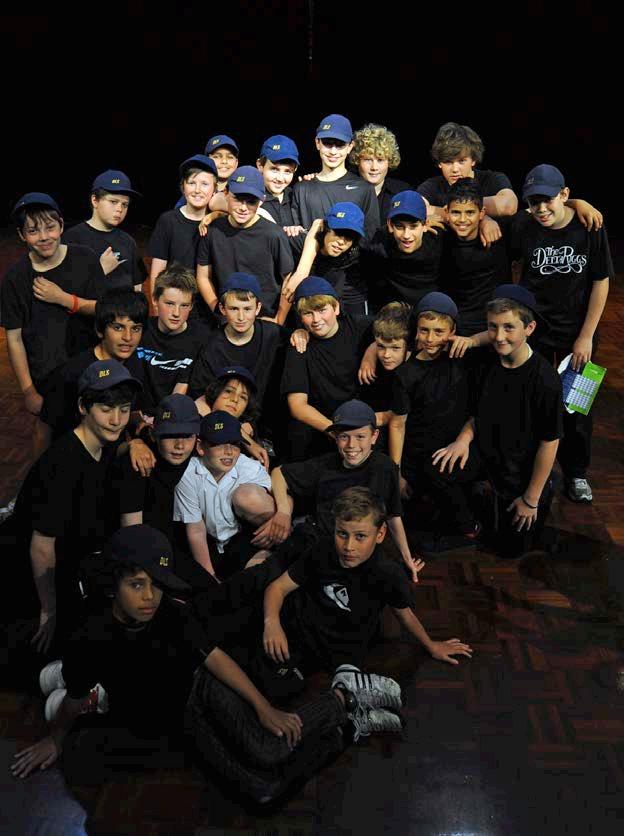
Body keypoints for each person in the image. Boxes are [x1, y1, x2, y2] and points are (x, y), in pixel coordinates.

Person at [12, 525, 407, 805]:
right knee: (262, 791)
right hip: (182, 720)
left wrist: (262, 707)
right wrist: (56, 740)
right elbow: (75, 699)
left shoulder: (171, 614)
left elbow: (214, 657)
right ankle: (349, 726)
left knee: (268, 750)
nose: (150, 597)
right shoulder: (89, 637)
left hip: (202, 687)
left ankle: (343, 697)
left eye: (157, 584)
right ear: (112, 585)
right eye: (136, 585)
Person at [262, 488, 473, 679]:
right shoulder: (321, 550)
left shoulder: (388, 572)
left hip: (342, 652)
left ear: (380, 534)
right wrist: (272, 623)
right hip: (300, 631)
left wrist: (431, 645)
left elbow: (404, 614)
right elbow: (277, 588)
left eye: (360, 536)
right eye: (342, 534)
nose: (348, 546)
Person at [9, 360, 143, 654]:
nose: (116, 420)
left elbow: (116, 448)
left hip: (74, 559)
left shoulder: (104, 442)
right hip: (32, 575)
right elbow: (41, 547)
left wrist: (134, 444)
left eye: (123, 410)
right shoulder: (61, 464)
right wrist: (49, 609)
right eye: (106, 409)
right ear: (83, 407)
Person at [434, 285, 563, 558]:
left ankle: (544, 489)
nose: (499, 336)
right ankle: (470, 522)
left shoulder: (545, 379)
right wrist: (462, 440)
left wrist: (531, 499)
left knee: (510, 549)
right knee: (439, 468)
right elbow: (477, 414)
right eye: (493, 327)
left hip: (519, 466)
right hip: (487, 451)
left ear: (529, 328)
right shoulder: (486, 362)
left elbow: (549, 441)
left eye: (509, 328)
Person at [512, 164, 613, 503]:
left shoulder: (590, 226)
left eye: (548, 200)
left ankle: (577, 472)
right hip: (536, 331)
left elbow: (600, 282)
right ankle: (534, 469)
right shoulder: (524, 225)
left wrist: (586, 335)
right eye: (533, 202)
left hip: (579, 333)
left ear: (564, 195)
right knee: (534, 400)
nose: (541, 209)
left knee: (578, 407)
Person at [255, 400, 423, 583]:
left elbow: (393, 515)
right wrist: (283, 512)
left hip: (353, 550)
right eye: (344, 437)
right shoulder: (326, 464)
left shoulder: (385, 467)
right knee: (265, 574)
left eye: (360, 436)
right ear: (335, 437)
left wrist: (406, 557)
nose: (351, 445)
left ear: (374, 436)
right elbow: (279, 473)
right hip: (318, 542)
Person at [1, 193, 103, 458]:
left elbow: (104, 310)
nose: (44, 237)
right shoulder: (15, 279)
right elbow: (14, 338)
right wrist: (28, 390)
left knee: (92, 435)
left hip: (88, 368)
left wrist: (64, 299)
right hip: (46, 375)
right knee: (46, 435)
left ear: (61, 225)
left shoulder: (85, 259)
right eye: (33, 231)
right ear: (22, 235)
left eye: (50, 227)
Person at [388, 293, 482, 550]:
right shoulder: (406, 373)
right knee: (417, 514)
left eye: (439, 331)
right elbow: (397, 425)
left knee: (440, 474)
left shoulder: (463, 359)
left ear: (453, 331)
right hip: (420, 449)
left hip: (459, 444)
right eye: (424, 330)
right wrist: (397, 474)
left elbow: (494, 337)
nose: (430, 339)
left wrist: (471, 341)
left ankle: (468, 527)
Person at [173, 411, 275, 582]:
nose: (229, 452)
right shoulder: (188, 474)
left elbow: (283, 494)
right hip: (210, 541)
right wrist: (210, 576)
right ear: (200, 447)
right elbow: (196, 530)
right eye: (219, 444)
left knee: (253, 578)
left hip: (246, 535)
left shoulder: (249, 467)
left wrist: (281, 518)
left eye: (234, 444)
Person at [280, 277, 374, 461]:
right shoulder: (299, 346)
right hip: (323, 427)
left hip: (360, 422)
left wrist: (373, 349)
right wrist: (337, 432)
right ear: (300, 317)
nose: (316, 320)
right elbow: (298, 406)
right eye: (308, 313)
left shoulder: (359, 326)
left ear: (336, 308)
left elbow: (396, 327)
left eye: (322, 310)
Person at [40, 288, 148, 442]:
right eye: (118, 327)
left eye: (135, 328)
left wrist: (138, 426)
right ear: (99, 330)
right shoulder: (71, 374)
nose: (128, 337)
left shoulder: (135, 363)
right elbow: (43, 431)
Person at [196, 166, 294, 319]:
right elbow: (202, 276)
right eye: (237, 199)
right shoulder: (213, 231)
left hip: (264, 319)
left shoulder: (274, 234)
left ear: (261, 201)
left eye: (251, 202)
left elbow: (288, 280)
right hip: (226, 320)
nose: (243, 207)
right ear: (226, 194)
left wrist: (279, 320)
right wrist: (217, 309)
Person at [187, 273, 288, 413]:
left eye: (247, 309)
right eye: (234, 309)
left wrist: (301, 333)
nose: (241, 317)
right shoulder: (211, 345)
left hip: (265, 417)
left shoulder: (273, 334)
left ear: (258, 308)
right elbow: (199, 394)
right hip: (222, 416)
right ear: (222, 309)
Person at [417, 121, 517, 246]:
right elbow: (414, 208)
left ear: (473, 160)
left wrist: (474, 213)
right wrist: (480, 219)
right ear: (439, 163)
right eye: (448, 162)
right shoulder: (432, 186)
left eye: (461, 161)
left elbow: (509, 205)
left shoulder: (492, 179)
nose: (455, 169)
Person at [291, 114, 380, 239]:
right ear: (317, 143)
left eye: (340, 145)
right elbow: (295, 233)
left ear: (350, 147)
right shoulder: (301, 189)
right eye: (327, 143)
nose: (333, 151)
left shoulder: (364, 189)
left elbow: (372, 237)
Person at [135, 264, 206, 415]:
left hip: (174, 415)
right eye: (169, 304)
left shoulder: (201, 339)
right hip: (135, 413)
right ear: (155, 300)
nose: (176, 313)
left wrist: (163, 418)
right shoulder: (140, 330)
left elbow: (183, 389)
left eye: (184, 305)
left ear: (191, 306)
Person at [441, 178, 508, 335]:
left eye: (470, 212)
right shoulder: (439, 239)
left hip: (491, 326)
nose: (462, 220)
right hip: (454, 325)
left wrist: (575, 203)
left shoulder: (499, 234)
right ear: (446, 212)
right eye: (456, 212)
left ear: (482, 213)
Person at [147, 154, 218, 299]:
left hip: (208, 303)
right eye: (191, 183)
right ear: (183, 187)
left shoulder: (217, 223)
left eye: (205, 184)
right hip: (175, 301)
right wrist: (156, 303)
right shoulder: (168, 221)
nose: (197, 190)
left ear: (214, 189)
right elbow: (158, 268)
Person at [63, 169, 146, 292]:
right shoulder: (72, 239)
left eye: (125, 204)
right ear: (95, 200)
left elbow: (137, 286)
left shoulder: (128, 242)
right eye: (113, 202)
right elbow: (65, 288)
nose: (119, 209)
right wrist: (100, 270)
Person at [360, 190, 442, 310]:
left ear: (425, 225)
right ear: (390, 225)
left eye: (413, 226)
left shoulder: (440, 241)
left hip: (431, 313)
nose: (406, 235)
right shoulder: (377, 243)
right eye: (400, 227)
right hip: (393, 314)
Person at [285, 202, 368, 315]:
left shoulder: (352, 256)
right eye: (338, 233)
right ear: (325, 228)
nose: (341, 242)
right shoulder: (298, 244)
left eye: (349, 237)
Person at [348, 123, 411, 221]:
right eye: (368, 160)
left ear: (389, 161)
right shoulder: (344, 190)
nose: (374, 167)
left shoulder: (403, 192)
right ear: (357, 160)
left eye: (380, 160)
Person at [256, 134, 302, 228]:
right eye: (274, 169)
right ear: (260, 165)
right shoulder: (251, 199)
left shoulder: (296, 196)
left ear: (295, 170)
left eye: (287, 171)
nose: (280, 179)